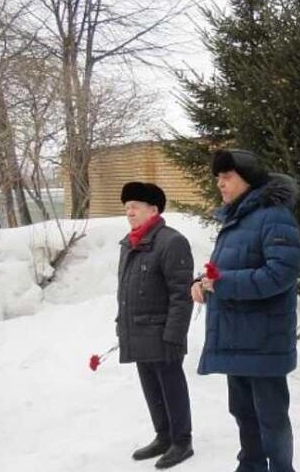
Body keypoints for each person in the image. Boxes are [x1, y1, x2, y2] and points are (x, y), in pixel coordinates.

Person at [192, 149, 300, 472]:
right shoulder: (235, 219)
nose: (221, 185)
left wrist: (221, 283)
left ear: (248, 179)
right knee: (242, 412)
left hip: (263, 340)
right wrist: (203, 281)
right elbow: (226, 269)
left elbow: (280, 275)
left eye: (227, 177)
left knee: (272, 420)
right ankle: (251, 465)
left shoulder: (274, 216)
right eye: (218, 179)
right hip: (236, 337)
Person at [117, 182, 196, 469]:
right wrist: (121, 325)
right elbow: (125, 289)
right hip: (138, 330)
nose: (129, 212)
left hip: (163, 333)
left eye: (135, 207)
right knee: (151, 387)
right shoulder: (130, 243)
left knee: (171, 386)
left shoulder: (171, 242)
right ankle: (163, 436)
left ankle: (181, 440)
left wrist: (174, 335)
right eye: (126, 208)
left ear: (154, 209)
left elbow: (181, 294)